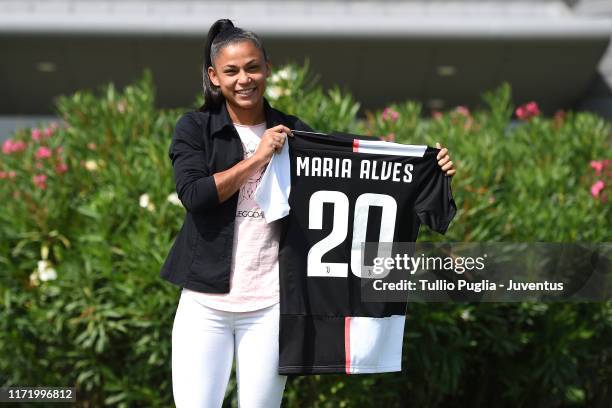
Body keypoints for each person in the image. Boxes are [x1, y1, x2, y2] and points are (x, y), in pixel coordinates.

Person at [160, 18, 456, 408]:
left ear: (267, 67)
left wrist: (424, 167)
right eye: (231, 71)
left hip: (272, 307)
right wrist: (257, 158)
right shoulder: (194, 127)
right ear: (214, 77)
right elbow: (195, 195)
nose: (244, 79)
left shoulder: (295, 131)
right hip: (204, 304)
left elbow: (352, 174)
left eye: (252, 67)